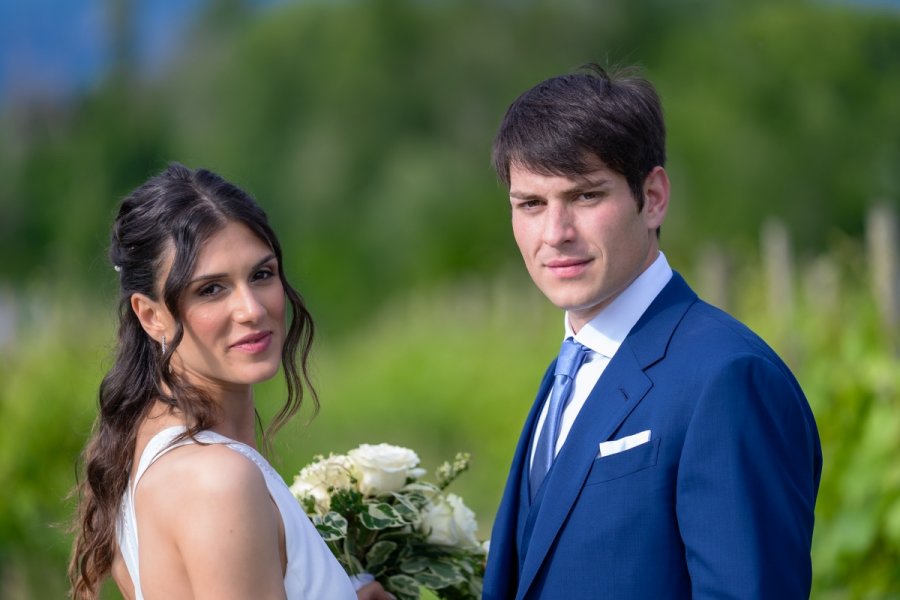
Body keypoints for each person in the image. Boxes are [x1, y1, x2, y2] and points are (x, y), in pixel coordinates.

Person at [482, 65, 823, 599]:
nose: (555, 233)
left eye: (586, 196)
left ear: (654, 196)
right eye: (531, 204)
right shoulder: (572, 366)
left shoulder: (729, 378)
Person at [69, 164, 390, 599]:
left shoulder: (140, 448)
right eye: (211, 289)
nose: (251, 309)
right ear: (151, 315)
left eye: (261, 275)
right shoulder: (216, 483)